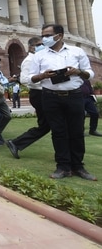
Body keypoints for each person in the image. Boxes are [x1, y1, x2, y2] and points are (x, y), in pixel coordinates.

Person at [29, 24, 96, 180]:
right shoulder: (39, 55)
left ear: (59, 35)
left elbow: (90, 73)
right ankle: (63, 167)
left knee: (77, 131)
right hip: (50, 96)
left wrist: (78, 71)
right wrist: (42, 76)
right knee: (58, 132)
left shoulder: (77, 52)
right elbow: (31, 78)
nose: (44, 39)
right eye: (43, 35)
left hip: (74, 96)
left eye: (47, 35)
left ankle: (78, 166)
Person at [6, 36, 51, 159]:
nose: (42, 46)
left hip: (45, 93)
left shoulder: (40, 58)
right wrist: (42, 79)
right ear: (31, 47)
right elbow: (24, 79)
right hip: (39, 94)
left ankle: (15, 143)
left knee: (48, 125)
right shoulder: (29, 61)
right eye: (39, 44)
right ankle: (15, 143)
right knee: (49, 125)